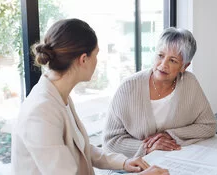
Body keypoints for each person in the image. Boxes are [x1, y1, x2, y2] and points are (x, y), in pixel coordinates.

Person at [11, 18, 169, 175]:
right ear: (83, 59)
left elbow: (80, 147)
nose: (97, 61)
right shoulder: (40, 112)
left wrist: (123, 162)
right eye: (96, 55)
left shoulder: (59, 95)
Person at [103, 27, 217, 158]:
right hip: (133, 166)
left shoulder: (189, 83)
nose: (163, 65)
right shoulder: (128, 87)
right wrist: (148, 147)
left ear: (184, 66)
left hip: (173, 161)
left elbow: (209, 125)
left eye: (173, 60)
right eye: (160, 55)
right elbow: (110, 141)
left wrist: (170, 134)